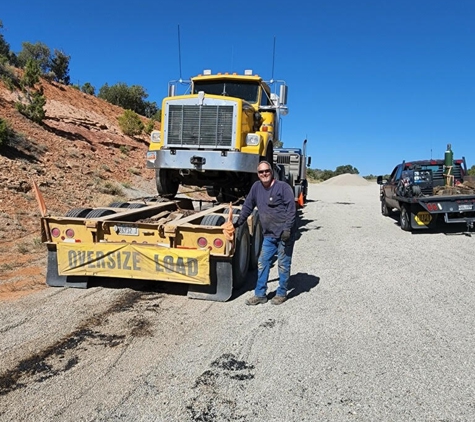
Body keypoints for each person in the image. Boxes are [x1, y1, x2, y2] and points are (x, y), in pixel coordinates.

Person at [234, 160, 296, 305]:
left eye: (267, 171)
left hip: (284, 235)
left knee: (283, 264)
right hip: (268, 235)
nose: (264, 174)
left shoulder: (283, 187)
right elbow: (247, 206)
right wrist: (237, 223)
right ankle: (260, 294)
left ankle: (281, 293)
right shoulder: (256, 187)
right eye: (261, 172)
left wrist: (287, 229)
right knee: (263, 262)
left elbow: (291, 210)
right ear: (258, 174)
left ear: (272, 172)